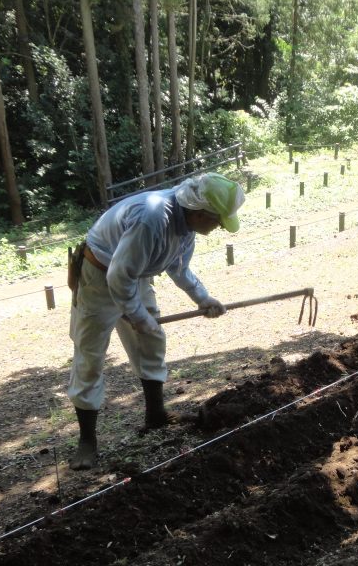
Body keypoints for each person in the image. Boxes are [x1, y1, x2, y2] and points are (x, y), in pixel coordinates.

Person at [67, 172, 244, 470]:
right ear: (201, 213)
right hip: (99, 276)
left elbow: (179, 267)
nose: (219, 229)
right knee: (90, 354)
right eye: (217, 222)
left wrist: (203, 299)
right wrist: (137, 316)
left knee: (152, 339)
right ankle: (87, 441)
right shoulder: (152, 219)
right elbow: (117, 277)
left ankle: (156, 415)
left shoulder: (187, 226)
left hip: (134, 275)